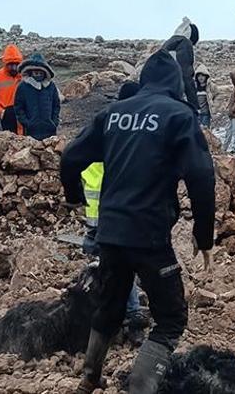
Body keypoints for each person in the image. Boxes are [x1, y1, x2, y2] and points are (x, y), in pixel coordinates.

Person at [60, 50, 216, 394]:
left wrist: (73, 195)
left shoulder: (113, 113)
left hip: (111, 234)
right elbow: (202, 175)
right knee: (171, 319)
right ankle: (140, 388)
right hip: (149, 236)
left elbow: (71, 157)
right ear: (176, 84)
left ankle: (89, 377)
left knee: (110, 306)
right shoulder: (178, 115)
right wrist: (204, 234)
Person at [80, 81, 148, 346]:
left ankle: (124, 313)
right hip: (124, 217)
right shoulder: (133, 132)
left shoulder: (106, 126)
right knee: (125, 269)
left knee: (117, 269)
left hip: (101, 218)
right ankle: (130, 316)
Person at [14, 54, 61, 141]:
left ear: (45, 72)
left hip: (50, 130)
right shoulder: (23, 86)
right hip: (31, 131)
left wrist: (54, 122)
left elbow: (56, 105)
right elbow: (18, 107)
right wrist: (26, 123)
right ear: (31, 72)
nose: (38, 75)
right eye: (36, 73)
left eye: (40, 73)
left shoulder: (51, 86)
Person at [162, 17, 200, 111]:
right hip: (173, 92)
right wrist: (195, 105)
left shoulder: (167, 44)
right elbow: (185, 74)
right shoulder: (184, 43)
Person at [0, 44, 25, 134]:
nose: (13, 68)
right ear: (5, 63)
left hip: (22, 115)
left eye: (16, 64)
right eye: (10, 64)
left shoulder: (24, 76)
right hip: (5, 116)